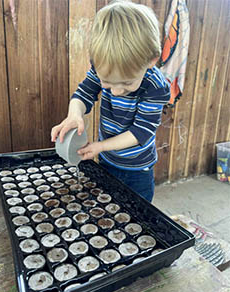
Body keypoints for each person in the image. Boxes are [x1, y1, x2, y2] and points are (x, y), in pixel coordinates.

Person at [51, 0, 170, 203]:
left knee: (137, 213)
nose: (115, 92)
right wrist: (74, 114)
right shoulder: (102, 65)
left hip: (137, 169)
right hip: (107, 160)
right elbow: (84, 94)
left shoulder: (155, 86)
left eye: (127, 83)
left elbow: (139, 132)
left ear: (151, 61)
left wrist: (99, 146)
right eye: (107, 83)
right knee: (108, 206)